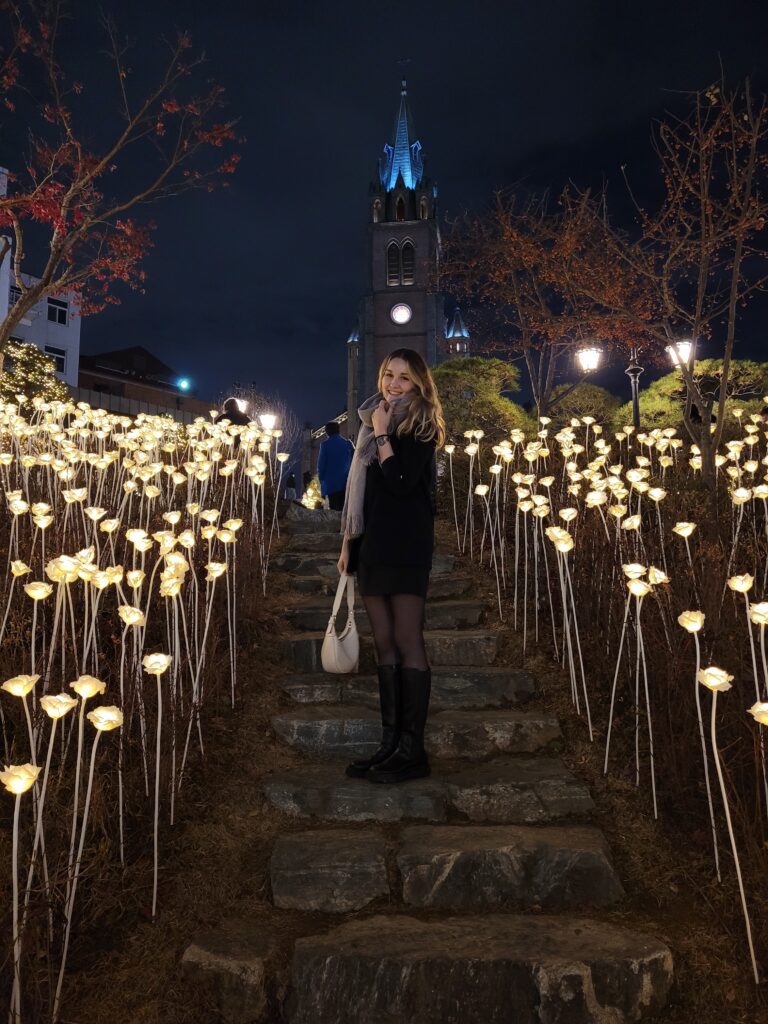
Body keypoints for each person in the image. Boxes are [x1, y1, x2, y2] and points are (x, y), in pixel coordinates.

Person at [338, 348, 445, 784]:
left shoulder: (420, 426)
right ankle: (390, 743)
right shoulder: (370, 423)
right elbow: (363, 496)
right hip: (374, 543)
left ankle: (412, 750)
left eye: (403, 377)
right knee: (382, 642)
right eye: (388, 375)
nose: (394, 383)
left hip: (407, 543)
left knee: (406, 638)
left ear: (419, 383)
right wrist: (348, 543)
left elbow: (401, 484)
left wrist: (384, 435)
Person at [318, 421, 353, 512]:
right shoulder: (348, 444)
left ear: (327, 432)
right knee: (344, 509)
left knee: (334, 510)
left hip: (331, 484)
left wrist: (321, 481)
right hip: (346, 482)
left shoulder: (325, 445)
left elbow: (321, 466)